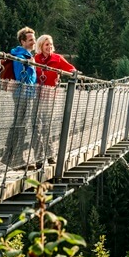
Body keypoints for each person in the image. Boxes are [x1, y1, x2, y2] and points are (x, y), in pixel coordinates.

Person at [33, 35, 76, 165]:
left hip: (50, 97)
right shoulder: (35, 59)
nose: (50, 47)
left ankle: (50, 155)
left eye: (51, 44)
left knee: (47, 126)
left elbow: (71, 69)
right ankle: (39, 158)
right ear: (41, 46)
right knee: (36, 127)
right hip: (36, 96)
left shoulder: (57, 59)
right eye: (47, 44)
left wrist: (74, 73)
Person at [0, 27, 38, 171]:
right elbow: (21, 76)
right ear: (23, 41)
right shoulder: (21, 57)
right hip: (23, 93)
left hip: (26, 93)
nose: (33, 42)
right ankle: (16, 159)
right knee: (22, 126)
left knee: (19, 124)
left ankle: (8, 157)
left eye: (34, 39)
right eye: (30, 40)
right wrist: (31, 65)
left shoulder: (26, 56)